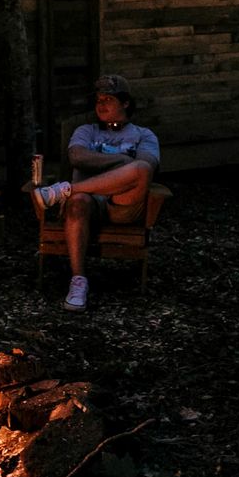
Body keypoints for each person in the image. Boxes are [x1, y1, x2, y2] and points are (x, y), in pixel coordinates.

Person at [32, 74, 159, 313]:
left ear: (125, 103)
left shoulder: (144, 135)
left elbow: (145, 168)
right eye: (98, 99)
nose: (101, 105)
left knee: (141, 169)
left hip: (123, 205)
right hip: (88, 202)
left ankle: (65, 190)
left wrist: (104, 165)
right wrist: (122, 161)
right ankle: (78, 281)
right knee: (78, 202)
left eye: (108, 99)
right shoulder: (85, 131)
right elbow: (77, 156)